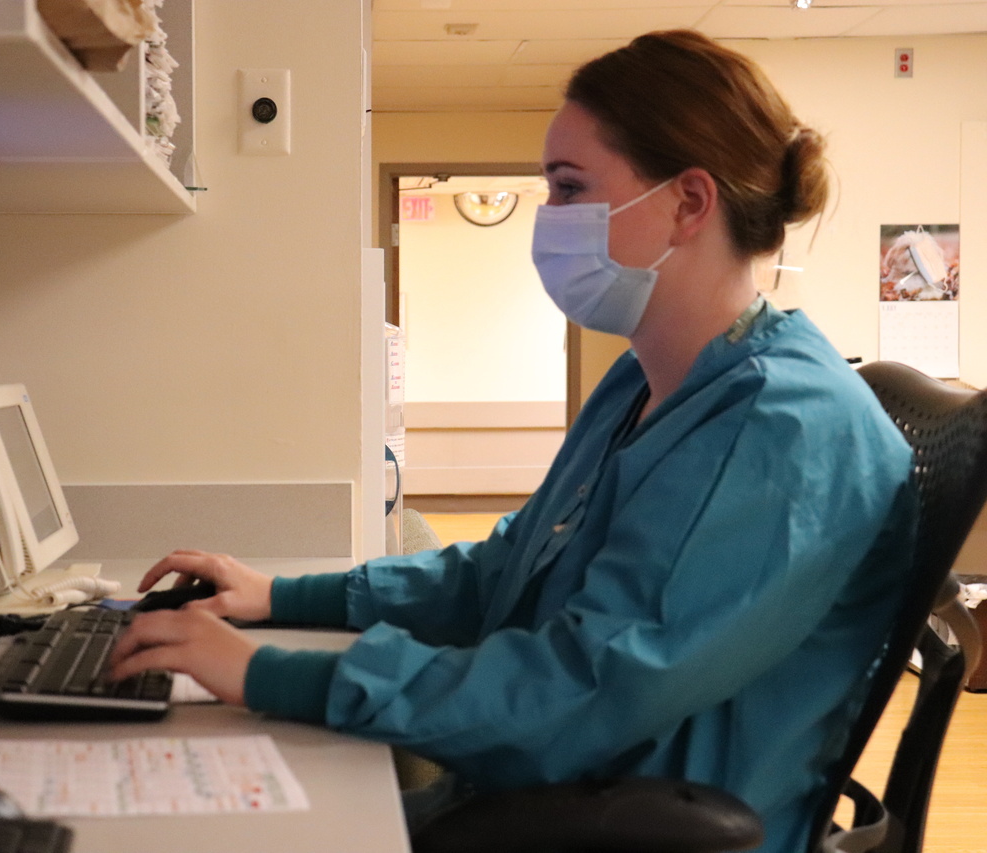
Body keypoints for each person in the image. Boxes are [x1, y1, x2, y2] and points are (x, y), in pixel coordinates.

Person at [109, 29, 917, 853]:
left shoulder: (783, 427)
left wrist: (268, 672)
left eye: (569, 188)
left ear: (688, 202)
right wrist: (284, 598)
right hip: (566, 798)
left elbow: (582, 689)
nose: (548, 219)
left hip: (637, 829)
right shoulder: (648, 380)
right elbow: (509, 567)